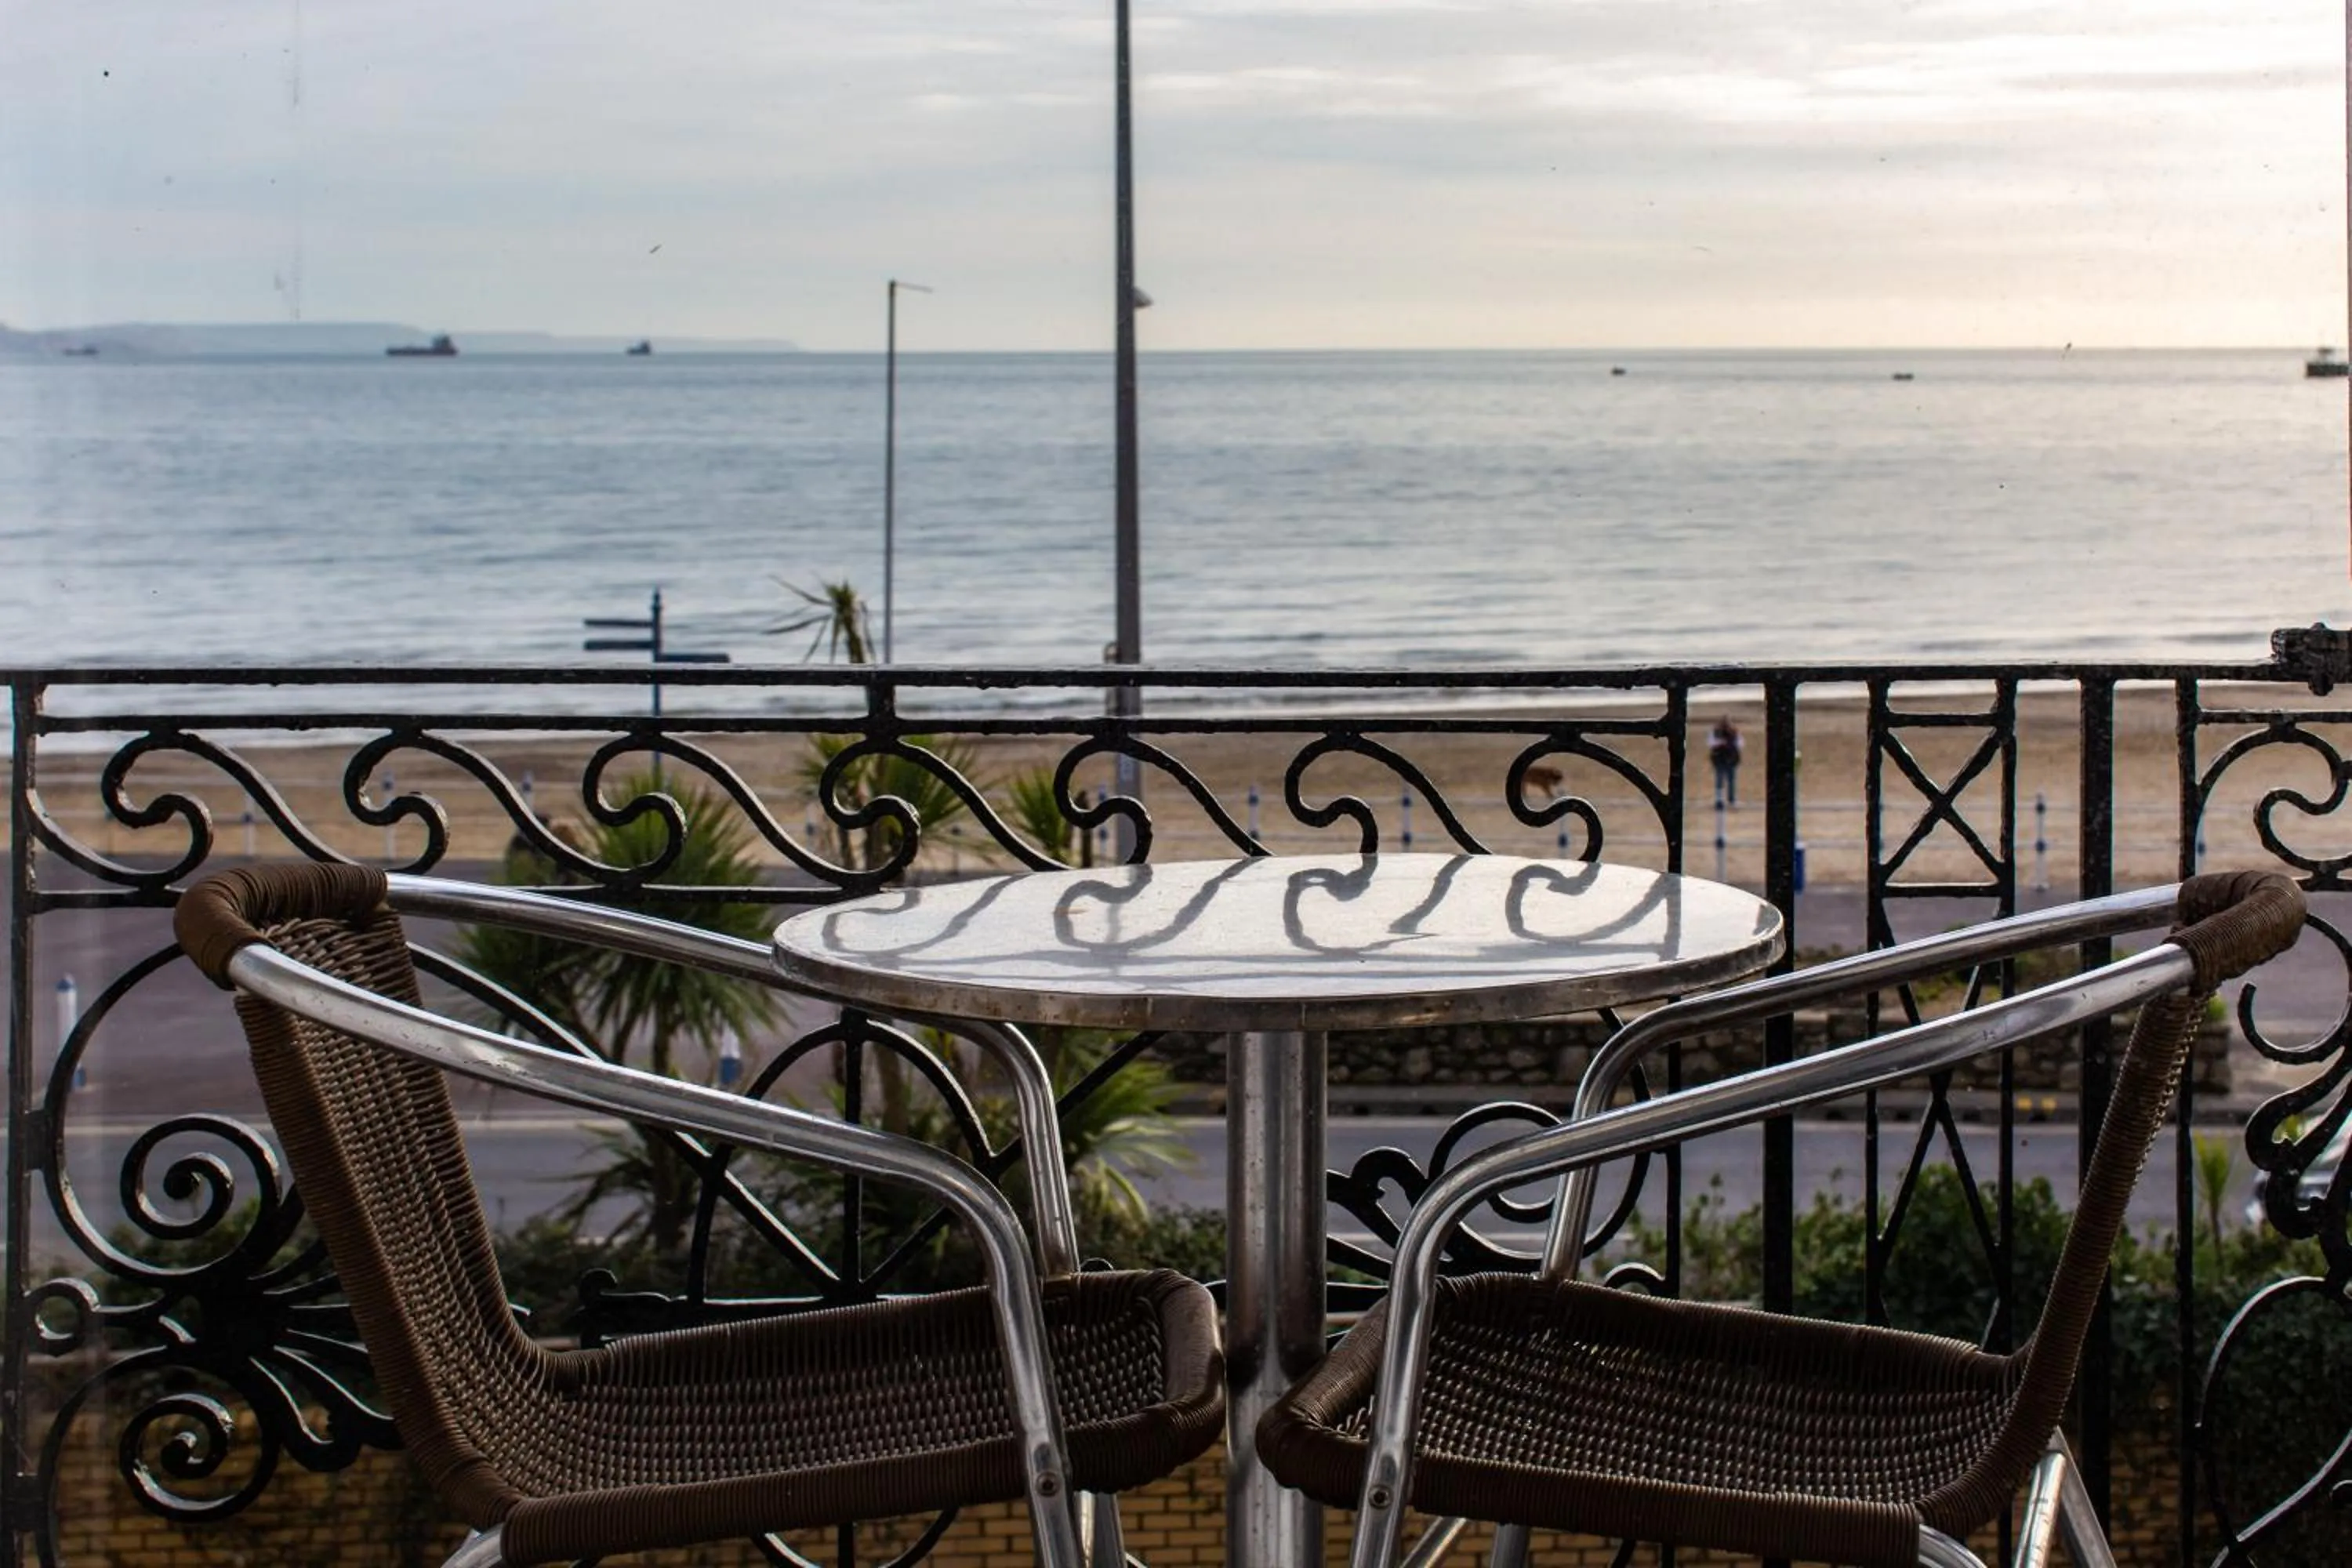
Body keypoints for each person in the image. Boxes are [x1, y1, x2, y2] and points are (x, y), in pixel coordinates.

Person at [1708, 717, 1743, 809]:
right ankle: (1719, 800)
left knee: (1731, 781)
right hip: (1720, 760)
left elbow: (1740, 744)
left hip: (1730, 760)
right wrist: (1721, 743)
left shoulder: (1734, 733)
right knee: (1719, 781)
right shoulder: (1716, 732)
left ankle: (1731, 800)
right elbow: (1711, 743)